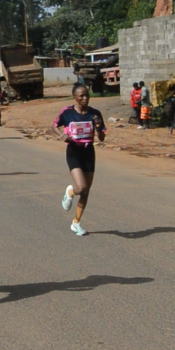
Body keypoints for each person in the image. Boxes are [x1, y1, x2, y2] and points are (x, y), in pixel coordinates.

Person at [54, 83, 107, 236]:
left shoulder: (95, 114)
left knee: (85, 192)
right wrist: (61, 135)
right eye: (81, 96)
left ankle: (76, 223)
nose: (85, 98)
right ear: (75, 97)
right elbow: (54, 126)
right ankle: (70, 191)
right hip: (74, 152)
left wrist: (98, 127)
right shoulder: (68, 112)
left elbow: (102, 138)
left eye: (87, 95)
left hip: (88, 152)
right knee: (81, 187)